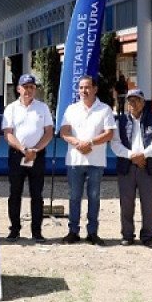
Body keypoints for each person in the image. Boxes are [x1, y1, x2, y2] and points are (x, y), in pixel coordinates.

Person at [59, 75, 117, 246]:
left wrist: (90, 142)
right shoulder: (71, 109)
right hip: (75, 159)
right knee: (74, 196)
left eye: (87, 87)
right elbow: (64, 131)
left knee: (94, 197)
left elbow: (109, 133)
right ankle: (73, 231)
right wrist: (77, 143)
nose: (84, 91)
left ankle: (92, 232)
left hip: (96, 160)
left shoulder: (104, 109)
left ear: (95, 89)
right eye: (81, 88)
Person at [1, 74, 54, 242]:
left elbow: (49, 132)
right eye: (25, 87)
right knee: (15, 193)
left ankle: (36, 231)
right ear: (18, 89)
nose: (28, 90)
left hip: (37, 156)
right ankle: (14, 229)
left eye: (32, 87)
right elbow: (8, 134)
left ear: (35, 89)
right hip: (17, 155)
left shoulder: (42, 108)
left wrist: (35, 149)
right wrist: (23, 149)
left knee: (37, 194)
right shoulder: (11, 108)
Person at [110, 89, 152, 248]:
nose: (132, 104)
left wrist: (142, 156)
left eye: (136, 100)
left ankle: (147, 236)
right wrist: (132, 156)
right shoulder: (120, 121)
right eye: (130, 101)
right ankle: (127, 235)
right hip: (126, 166)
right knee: (126, 203)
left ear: (143, 103)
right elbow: (115, 144)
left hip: (147, 166)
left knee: (148, 204)